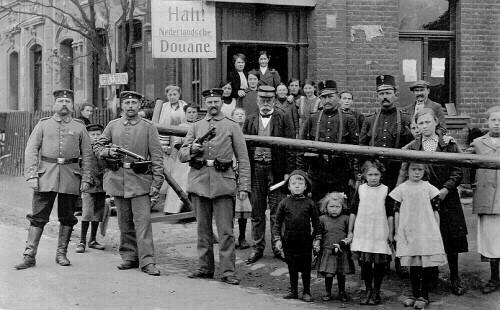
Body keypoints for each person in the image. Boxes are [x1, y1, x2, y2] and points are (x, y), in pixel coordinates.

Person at [178, 88, 251, 285]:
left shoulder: (232, 126)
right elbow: (182, 154)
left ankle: (228, 271)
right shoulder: (196, 126)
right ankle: (204, 267)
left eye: (216, 101)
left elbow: (243, 158)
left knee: (226, 231)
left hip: (223, 182)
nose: (212, 105)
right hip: (199, 182)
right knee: (203, 230)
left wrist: (244, 186)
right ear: (205, 103)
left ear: (221, 103)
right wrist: (192, 149)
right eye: (209, 102)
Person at [15, 89, 93, 270]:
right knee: (38, 216)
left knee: (67, 217)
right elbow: (31, 150)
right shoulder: (43, 125)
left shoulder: (80, 127)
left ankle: (61, 254)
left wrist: (86, 178)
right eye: (60, 101)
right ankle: (29, 255)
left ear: (73, 106)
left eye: (67, 101)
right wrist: (32, 175)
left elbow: (88, 155)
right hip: (45, 176)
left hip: (71, 176)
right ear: (54, 105)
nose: (64, 104)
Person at [93, 91, 164, 276]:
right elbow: (98, 146)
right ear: (121, 106)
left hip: (140, 180)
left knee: (143, 222)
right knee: (124, 222)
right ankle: (129, 256)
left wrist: (156, 183)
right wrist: (107, 153)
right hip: (118, 179)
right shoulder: (112, 125)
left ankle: (147, 261)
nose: (130, 106)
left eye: (134, 102)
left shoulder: (148, 127)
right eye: (127, 103)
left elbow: (157, 157)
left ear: (139, 105)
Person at [403, 108, 468, 295]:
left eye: (427, 122)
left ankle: (455, 277)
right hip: (423, 199)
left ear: (436, 122)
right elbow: (408, 167)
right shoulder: (414, 147)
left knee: (451, 239)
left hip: (447, 197)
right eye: (420, 123)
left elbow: (458, 169)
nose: (424, 126)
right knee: (428, 237)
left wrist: (446, 189)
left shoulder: (448, 143)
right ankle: (431, 276)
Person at [243, 85, 296, 263]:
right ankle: (257, 247)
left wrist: (289, 171)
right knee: (257, 210)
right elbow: (243, 149)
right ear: (257, 101)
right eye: (262, 100)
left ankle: (277, 247)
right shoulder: (250, 119)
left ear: (274, 101)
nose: (265, 104)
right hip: (256, 169)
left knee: (277, 211)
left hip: (277, 170)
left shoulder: (283, 117)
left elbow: (290, 146)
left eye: (269, 100)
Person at [390, 162, 447, 309]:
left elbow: (436, 211)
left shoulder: (428, 187)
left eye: (420, 170)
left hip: (426, 230)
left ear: (424, 171)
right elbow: (396, 212)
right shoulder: (402, 188)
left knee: (425, 264)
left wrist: (436, 231)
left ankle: (424, 295)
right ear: (407, 170)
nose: (416, 172)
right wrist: (396, 232)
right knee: (413, 264)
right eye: (413, 169)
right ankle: (414, 294)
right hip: (409, 231)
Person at [299, 80, 358, 201]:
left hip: (340, 175)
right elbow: (301, 146)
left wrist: (354, 175)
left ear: (338, 97)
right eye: (323, 97)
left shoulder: (348, 119)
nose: (327, 100)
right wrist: (302, 173)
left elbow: (356, 149)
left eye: (330, 96)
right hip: (317, 175)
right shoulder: (313, 118)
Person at [349, 160, 394, 306]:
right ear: (364, 175)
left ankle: (376, 291)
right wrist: (350, 231)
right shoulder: (361, 189)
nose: (373, 177)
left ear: (381, 175)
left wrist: (391, 233)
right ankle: (368, 289)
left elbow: (390, 214)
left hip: (380, 231)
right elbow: (353, 212)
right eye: (370, 174)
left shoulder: (386, 190)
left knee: (379, 263)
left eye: (376, 174)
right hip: (364, 231)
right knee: (366, 263)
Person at [273, 170, 321, 302]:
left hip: (305, 240)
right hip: (289, 240)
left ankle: (307, 291)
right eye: (293, 183)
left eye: (301, 183)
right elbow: (277, 222)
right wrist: (277, 239)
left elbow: (316, 222)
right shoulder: (284, 203)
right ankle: (293, 291)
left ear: (305, 187)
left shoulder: (310, 203)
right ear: (289, 186)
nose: (297, 185)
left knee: (306, 267)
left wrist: (317, 239)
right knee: (292, 267)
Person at [359, 74, 413, 190]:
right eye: (381, 94)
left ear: (395, 95)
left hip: (397, 173)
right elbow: (361, 147)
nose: (385, 97)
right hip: (374, 174)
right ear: (377, 96)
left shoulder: (405, 119)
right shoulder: (369, 120)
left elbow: (413, 145)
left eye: (388, 93)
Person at [470, 106, 500, 294]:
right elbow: (463, 157)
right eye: (494, 120)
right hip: (488, 199)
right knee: (491, 240)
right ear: (487, 122)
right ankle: (494, 277)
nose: (497, 124)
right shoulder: (478, 143)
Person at [151, 85, 187, 212]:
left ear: (179, 95)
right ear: (167, 96)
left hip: (181, 138)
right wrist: (164, 144)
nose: (172, 97)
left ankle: (179, 200)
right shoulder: (164, 107)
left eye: (175, 95)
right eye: (170, 95)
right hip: (167, 137)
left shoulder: (184, 105)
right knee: (167, 167)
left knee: (179, 168)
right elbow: (160, 126)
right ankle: (164, 198)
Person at [76, 124, 107, 253]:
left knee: (98, 213)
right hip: (89, 185)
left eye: (98, 134)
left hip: (102, 185)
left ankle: (92, 240)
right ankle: (82, 241)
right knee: (87, 213)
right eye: (92, 135)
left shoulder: (105, 149)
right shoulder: (83, 149)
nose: (95, 137)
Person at [164, 103, 200, 214]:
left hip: (197, 158)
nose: (192, 114)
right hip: (183, 160)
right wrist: (188, 148)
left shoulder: (200, 125)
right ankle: (175, 209)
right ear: (185, 114)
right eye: (189, 112)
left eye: (194, 112)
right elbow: (177, 143)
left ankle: (193, 210)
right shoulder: (180, 127)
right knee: (181, 182)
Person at [317, 192, 353, 302]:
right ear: (325, 207)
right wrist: (317, 243)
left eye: (338, 207)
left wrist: (345, 242)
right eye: (331, 206)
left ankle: (342, 292)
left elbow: (350, 234)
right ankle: (328, 291)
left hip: (342, 251)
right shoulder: (322, 219)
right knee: (329, 273)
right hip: (328, 251)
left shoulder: (346, 219)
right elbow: (318, 234)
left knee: (341, 273)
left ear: (342, 207)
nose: (334, 209)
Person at [231, 107, 250, 249]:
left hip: (243, 171)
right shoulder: (229, 129)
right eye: (237, 114)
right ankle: (229, 236)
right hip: (230, 172)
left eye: (242, 114)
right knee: (229, 207)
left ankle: (242, 236)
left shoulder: (249, 131)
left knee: (243, 206)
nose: (239, 116)